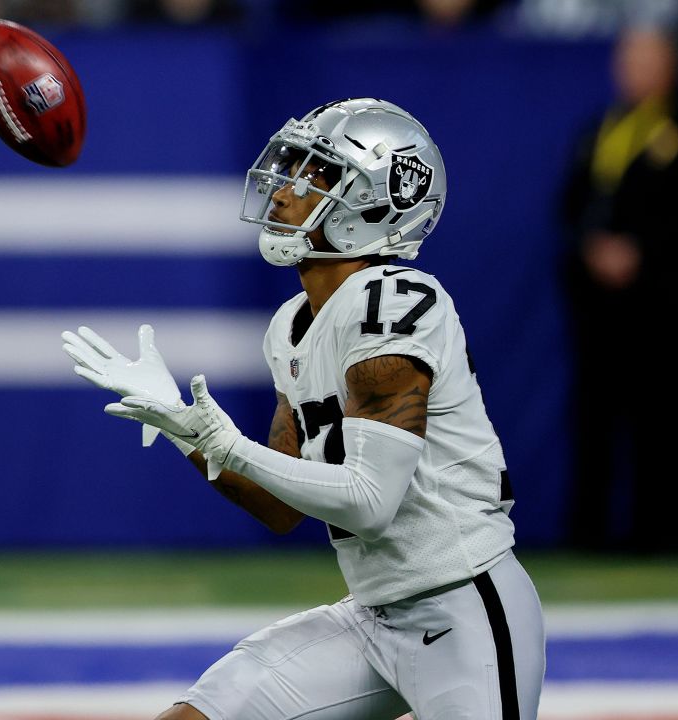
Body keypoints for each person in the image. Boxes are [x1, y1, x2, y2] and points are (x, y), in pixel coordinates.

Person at [62, 99, 544, 720]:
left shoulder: (393, 304)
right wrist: (185, 428)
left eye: (315, 174)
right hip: (373, 615)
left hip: (464, 609)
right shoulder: (293, 326)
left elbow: (370, 504)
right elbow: (279, 506)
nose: (285, 190)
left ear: (374, 203)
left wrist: (230, 447)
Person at [560, 26, 678, 553]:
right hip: (599, 308)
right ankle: (590, 535)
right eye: (628, 61)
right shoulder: (600, 130)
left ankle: (663, 536)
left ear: (668, 69)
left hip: (657, 306)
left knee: (659, 421)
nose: (634, 73)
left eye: (647, 62)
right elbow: (570, 205)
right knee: (595, 419)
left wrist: (641, 251)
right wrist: (593, 247)